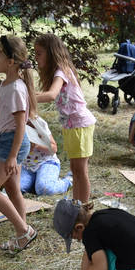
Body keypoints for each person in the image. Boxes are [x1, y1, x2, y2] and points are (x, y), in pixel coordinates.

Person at [0, 35, 37, 253]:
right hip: (7, 141)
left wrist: (12, 155)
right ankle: (22, 235)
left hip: (14, 143)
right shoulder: (8, 83)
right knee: (13, 189)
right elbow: (4, 120)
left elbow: (20, 125)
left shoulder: (15, 88)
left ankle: (24, 232)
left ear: (11, 61)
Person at [34, 34, 96, 203]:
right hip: (71, 126)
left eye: (39, 53)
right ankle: (77, 205)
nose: (36, 57)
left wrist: (28, 97)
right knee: (75, 169)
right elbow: (46, 94)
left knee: (80, 170)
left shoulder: (62, 71)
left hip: (80, 125)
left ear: (51, 52)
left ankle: (82, 207)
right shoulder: (59, 72)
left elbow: (52, 95)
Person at [19, 113, 72, 196]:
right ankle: (36, 182)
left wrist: (37, 144)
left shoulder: (38, 123)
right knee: (17, 188)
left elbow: (54, 148)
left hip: (46, 162)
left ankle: (68, 180)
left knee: (45, 189)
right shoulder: (12, 123)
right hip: (26, 166)